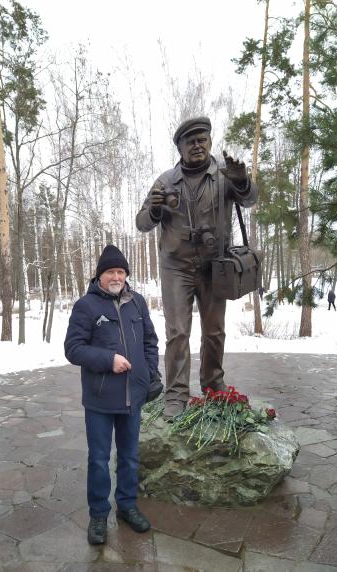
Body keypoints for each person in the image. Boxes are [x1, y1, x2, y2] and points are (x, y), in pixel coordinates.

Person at [136, 116, 258, 420]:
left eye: (202, 139)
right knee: (177, 331)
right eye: (190, 142)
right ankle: (176, 394)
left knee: (214, 331)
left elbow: (250, 199)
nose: (197, 145)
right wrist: (153, 209)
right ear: (180, 148)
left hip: (213, 266)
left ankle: (214, 385)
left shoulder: (223, 176)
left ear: (210, 142)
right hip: (175, 266)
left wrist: (242, 180)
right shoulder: (166, 180)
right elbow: (141, 223)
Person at [64, 244, 159, 545]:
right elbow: (73, 349)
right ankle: (98, 515)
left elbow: (150, 342)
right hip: (100, 401)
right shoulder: (86, 306)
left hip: (134, 397)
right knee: (99, 460)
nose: (116, 276)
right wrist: (109, 360)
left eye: (120, 271)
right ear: (100, 276)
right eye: (110, 272)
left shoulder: (139, 303)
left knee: (130, 458)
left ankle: (127, 506)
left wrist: (149, 373)